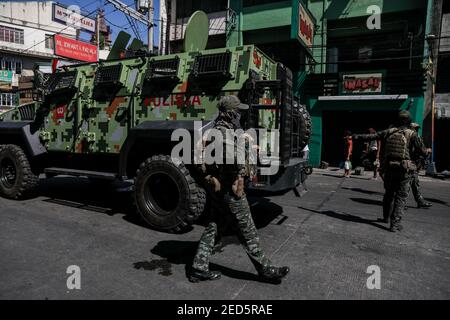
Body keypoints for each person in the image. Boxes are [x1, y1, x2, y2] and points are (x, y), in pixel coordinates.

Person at [189, 95, 290, 283]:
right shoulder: (223, 133)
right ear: (229, 113)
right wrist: (249, 150)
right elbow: (233, 163)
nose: (240, 115)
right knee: (248, 229)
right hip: (231, 190)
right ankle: (265, 269)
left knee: (214, 226)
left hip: (221, 189)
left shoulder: (219, 130)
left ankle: (198, 267)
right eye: (237, 112)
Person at [353, 111, 429, 232]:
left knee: (389, 194)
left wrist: (356, 136)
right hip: (404, 169)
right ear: (409, 121)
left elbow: (372, 136)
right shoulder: (412, 134)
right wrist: (426, 152)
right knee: (401, 196)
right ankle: (395, 223)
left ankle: (386, 218)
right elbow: (423, 151)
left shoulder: (389, 131)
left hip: (388, 168)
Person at [410, 123, 432, 209]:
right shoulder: (414, 137)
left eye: (417, 128)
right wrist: (427, 151)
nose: (417, 130)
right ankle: (399, 203)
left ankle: (419, 201)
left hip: (413, 164)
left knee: (414, 183)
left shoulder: (413, 136)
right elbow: (421, 150)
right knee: (409, 184)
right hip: (410, 163)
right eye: (416, 128)